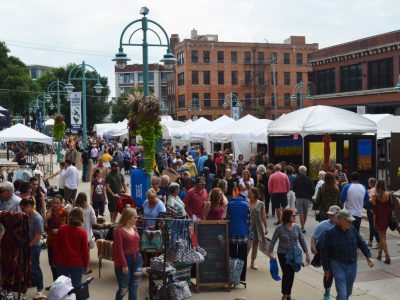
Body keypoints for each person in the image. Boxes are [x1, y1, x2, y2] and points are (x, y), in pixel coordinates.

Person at [321, 209, 374, 300]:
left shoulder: (352, 229)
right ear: (339, 219)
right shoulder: (330, 233)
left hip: (352, 264)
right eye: (348, 221)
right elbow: (324, 253)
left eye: (351, 221)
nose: (350, 223)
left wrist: (368, 256)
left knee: (348, 292)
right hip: (337, 264)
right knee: (342, 295)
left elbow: (361, 242)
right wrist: (326, 269)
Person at [268, 208, 310, 300]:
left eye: (295, 215)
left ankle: (288, 294)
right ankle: (284, 295)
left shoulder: (297, 227)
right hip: (283, 254)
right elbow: (273, 241)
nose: (295, 217)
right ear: (287, 216)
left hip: (294, 254)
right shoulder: (279, 228)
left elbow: (302, 240)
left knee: (291, 274)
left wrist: (307, 253)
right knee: (286, 273)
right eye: (293, 215)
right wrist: (270, 253)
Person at [54, 207, 89, 288]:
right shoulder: (82, 232)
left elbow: (56, 246)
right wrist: (86, 265)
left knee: (62, 286)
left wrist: (54, 259)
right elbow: (85, 251)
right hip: (77, 264)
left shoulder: (62, 228)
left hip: (61, 262)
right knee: (76, 287)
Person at [310, 205, 341, 300]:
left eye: (332, 215)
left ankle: (341, 294)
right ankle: (327, 292)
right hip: (326, 255)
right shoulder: (323, 224)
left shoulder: (343, 224)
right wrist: (312, 246)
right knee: (328, 273)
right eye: (329, 215)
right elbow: (314, 236)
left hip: (339, 255)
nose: (330, 217)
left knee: (340, 276)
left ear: (338, 215)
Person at [19, 198, 46, 300]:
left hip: (34, 246)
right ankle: (24, 290)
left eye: (23, 209)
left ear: (29, 206)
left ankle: (40, 289)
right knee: (26, 269)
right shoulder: (27, 216)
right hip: (28, 245)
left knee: (35, 268)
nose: (23, 211)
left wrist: (28, 246)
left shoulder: (37, 218)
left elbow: (38, 236)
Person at [113, 208, 142, 300]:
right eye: (135, 217)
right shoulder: (119, 231)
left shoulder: (135, 228)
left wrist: (140, 258)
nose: (137, 218)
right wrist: (124, 265)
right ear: (129, 218)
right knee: (124, 289)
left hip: (136, 259)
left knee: (134, 288)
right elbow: (119, 250)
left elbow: (137, 244)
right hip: (124, 261)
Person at [226, 195, 250, 284]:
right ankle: (241, 277)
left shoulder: (230, 204)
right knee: (242, 257)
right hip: (243, 233)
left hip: (232, 233)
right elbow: (248, 220)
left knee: (232, 256)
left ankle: (231, 277)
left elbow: (228, 218)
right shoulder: (246, 204)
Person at [45, 194, 68, 281]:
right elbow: (44, 229)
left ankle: (62, 283)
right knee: (51, 263)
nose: (55, 205)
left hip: (62, 243)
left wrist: (60, 230)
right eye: (54, 203)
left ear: (61, 203)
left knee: (61, 264)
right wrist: (46, 220)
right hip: (51, 242)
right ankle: (55, 283)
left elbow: (70, 228)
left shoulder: (65, 213)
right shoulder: (48, 214)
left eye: (57, 203)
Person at [371, 179, 392, 264]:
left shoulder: (374, 196)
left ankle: (387, 257)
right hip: (386, 218)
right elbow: (391, 207)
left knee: (382, 237)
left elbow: (374, 210)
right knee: (383, 237)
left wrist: (373, 221)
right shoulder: (389, 195)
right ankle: (380, 254)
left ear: (377, 185)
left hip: (379, 218)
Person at [74, 193, 96, 273]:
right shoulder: (89, 208)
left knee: (78, 251)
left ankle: (79, 266)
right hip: (87, 234)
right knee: (86, 252)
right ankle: (86, 267)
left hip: (76, 233)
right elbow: (94, 221)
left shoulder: (75, 208)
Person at [247, 187, 267, 270]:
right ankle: (243, 262)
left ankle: (252, 263)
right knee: (248, 246)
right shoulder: (246, 202)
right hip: (248, 227)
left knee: (255, 246)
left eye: (250, 193)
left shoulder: (261, 203)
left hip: (258, 227)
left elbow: (263, 216)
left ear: (255, 194)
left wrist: (266, 227)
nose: (248, 194)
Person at [292, 166, 314, 233]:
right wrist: (310, 195)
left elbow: (293, 188)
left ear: (299, 171)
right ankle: (302, 226)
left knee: (301, 213)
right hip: (307, 198)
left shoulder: (296, 179)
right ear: (305, 171)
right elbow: (312, 189)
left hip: (299, 198)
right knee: (305, 212)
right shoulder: (309, 179)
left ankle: (303, 227)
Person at [366, 178, 380, 249]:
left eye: (369, 182)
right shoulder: (378, 190)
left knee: (372, 226)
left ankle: (378, 241)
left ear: (371, 183)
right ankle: (370, 241)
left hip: (371, 210)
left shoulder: (371, 190)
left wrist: (367, 199)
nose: (368, 183)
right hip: (377, 210)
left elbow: (371, 200)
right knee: (373, 225)